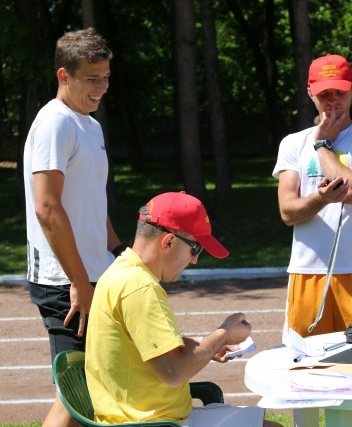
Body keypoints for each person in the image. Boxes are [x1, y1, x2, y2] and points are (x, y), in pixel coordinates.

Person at [85, 192, 281, 427]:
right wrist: (224, 334)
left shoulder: (122, 271)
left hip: (146, 418)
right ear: (168, 242)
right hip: (151, 423)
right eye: (195, 249)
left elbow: (149, 347)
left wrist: (209, 344)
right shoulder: (139, 288)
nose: (194, 260)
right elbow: (173, 371)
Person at [273, 54, 352, 427]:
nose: (332, 102)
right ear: (310, 93)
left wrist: (323, 145)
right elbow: (288, 211)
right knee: (303, 368)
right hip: (305, 273)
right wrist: (320, 198)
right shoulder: (292, 143)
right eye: (324, 93)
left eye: (339, 92)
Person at [23, 27, 126, 427]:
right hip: (64, 281)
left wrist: (121, 257)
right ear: (63, 76)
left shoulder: (90, 125)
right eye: (91, 79)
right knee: (77, 392)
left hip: (92, 274)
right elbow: (47, 208)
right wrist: (80, 281)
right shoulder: (55, 123)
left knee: (97, 386)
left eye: (106, 77)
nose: (101, 88)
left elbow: (91, 205)